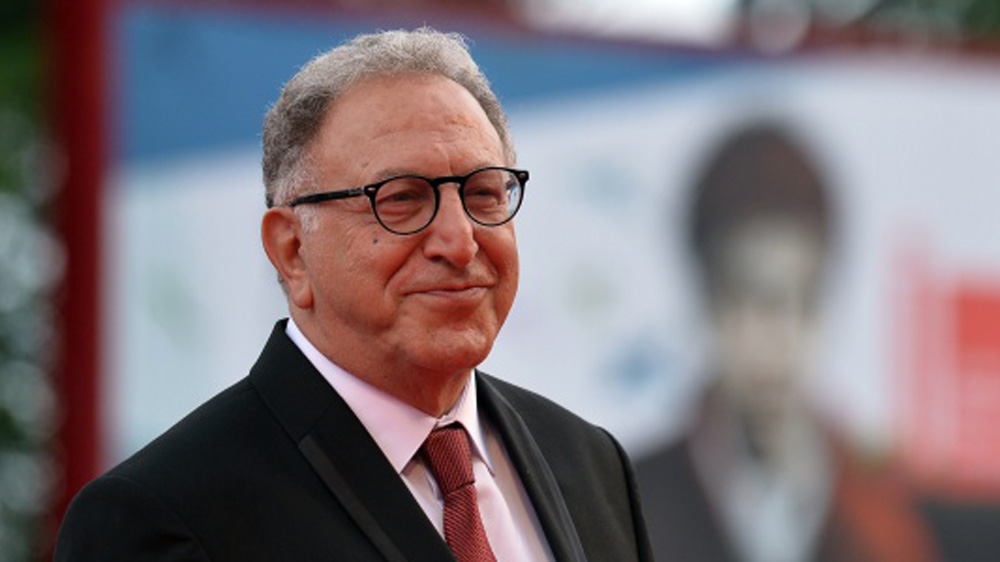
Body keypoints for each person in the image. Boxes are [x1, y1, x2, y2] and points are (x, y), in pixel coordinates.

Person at [55, 28, 652, 561]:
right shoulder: (166, 515)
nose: (459, 240)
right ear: (292, 250)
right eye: (402, 198)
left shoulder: (590, 462)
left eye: (484, 194)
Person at [634, 123, 938, 562]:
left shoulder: (886, 514)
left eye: (806, 300)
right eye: (756, 300)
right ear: (708, 300)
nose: (782, 336)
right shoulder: (630, 501)